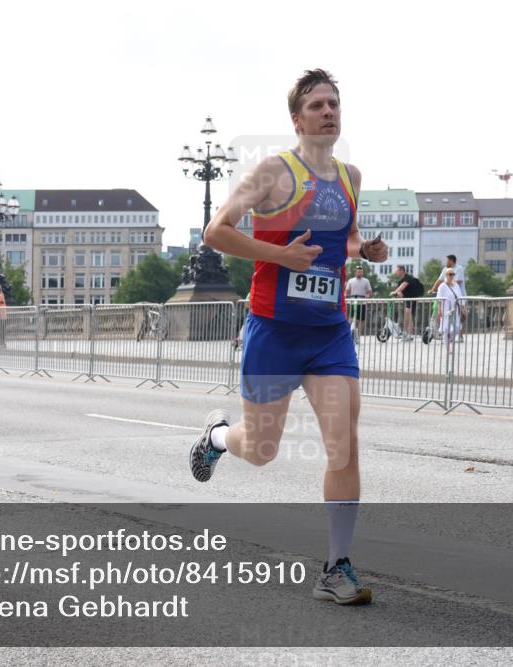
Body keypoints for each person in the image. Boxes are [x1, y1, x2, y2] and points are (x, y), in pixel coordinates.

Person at [188, 69, 387, 606]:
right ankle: (214, 439)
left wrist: (361, 250)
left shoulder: (351, 177)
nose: (329, 112)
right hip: (273, 329)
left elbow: (339, 241)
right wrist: (280, 255)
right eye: (318, 105)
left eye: (335, 104)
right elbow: (217, 231)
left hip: (329, 334)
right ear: (297, 119)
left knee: (344, 444)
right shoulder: (273, 172)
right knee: (261, 450)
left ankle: (336, 567)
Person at [429, 254, 467, 337]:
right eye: (450, 275)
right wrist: (433, 289)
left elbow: (458, 282)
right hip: (447, 297)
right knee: (446, 317)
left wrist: (463, 305)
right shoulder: (445, 270)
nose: (446, 262)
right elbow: (439, 280)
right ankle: (446, 335)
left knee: (461, 316)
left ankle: (460, 335)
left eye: (447, 260)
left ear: (452, 261)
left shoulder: (459, 269)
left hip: (458, 296)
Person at [436, 267, 467, 355]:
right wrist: (439, 310)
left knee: (457, 328)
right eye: (450, 274)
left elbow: (460, 297)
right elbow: (439, 299)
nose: (452, 276)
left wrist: (463, 307)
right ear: (446, 275)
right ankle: (448, 347)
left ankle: (449, 340)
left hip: (455, 310)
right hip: (446, 310)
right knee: (446, 329)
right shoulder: (442, 286)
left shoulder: (456, 285)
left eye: (453, 274)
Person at [391, 265, 424, 339]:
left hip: (413, 298)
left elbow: (403, 285)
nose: (396, 272)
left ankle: (408, 333)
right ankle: (406, 333)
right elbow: (401, 293)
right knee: (407, 314)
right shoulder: (400, 281)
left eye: (397, 271)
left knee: (408, 313)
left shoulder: (408, 278)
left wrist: (395, 291)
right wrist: (398, 294)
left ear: (401, 270)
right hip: (407, 299)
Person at [344, 264, 372, 340]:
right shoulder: (351, 280)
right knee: (352, 318)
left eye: (361, 272)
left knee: (362, 319)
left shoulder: (366, 281)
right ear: (355, 272)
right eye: (358, 272)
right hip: (352, 301)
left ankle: (359, 335)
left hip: (362, 302)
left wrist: (368, 296)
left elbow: (369, 291)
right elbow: (347, 291)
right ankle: (350, 333)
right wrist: (346, 295)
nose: (359, 273)